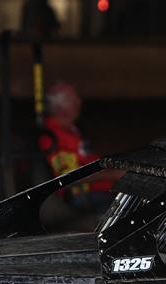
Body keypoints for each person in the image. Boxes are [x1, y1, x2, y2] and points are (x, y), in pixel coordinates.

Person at [38, 81, 118, 212]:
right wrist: (114, 175)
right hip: (78, 196)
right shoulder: (51, 138)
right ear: (60, 107)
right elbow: (69, 176)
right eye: (73, 100)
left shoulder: (72, 131)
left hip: (97, 191)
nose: (79, 102)